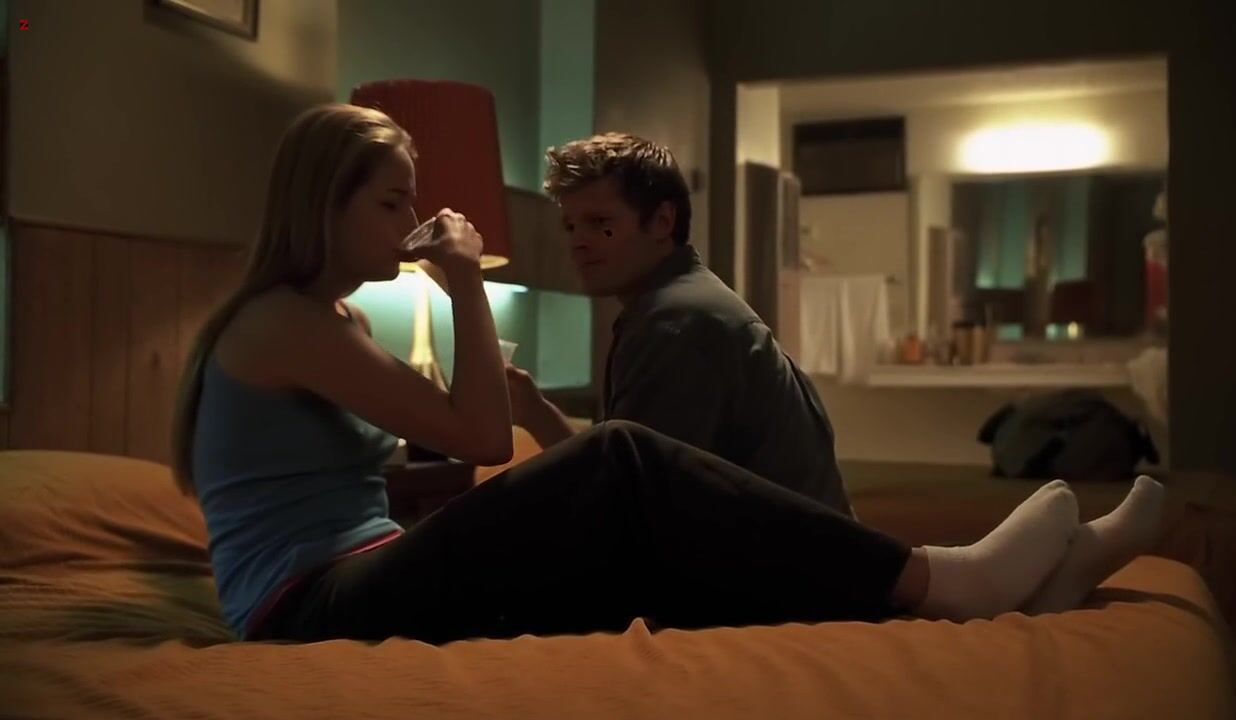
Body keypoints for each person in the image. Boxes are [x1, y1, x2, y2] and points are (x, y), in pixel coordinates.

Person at [172, 103, 1165, 645]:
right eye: (393, 203)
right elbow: (476, 436)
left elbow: (461, 435)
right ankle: (945, 579)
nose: (411, 221)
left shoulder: (334, 322)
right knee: (619, 462)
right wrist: (465, 283)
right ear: (326, 204)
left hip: (362, 575)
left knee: (614, 482)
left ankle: (987, 582)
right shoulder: (281, 324)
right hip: (308, 609)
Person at [504, 133, 851, 514]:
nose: (578, 242)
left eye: (600, 223)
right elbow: (619, 475)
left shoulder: (677, 322)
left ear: (662, 221)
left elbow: (631, 508)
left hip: (780, 551)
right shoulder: (677, 305)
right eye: (570, 226)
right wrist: (535, 411)